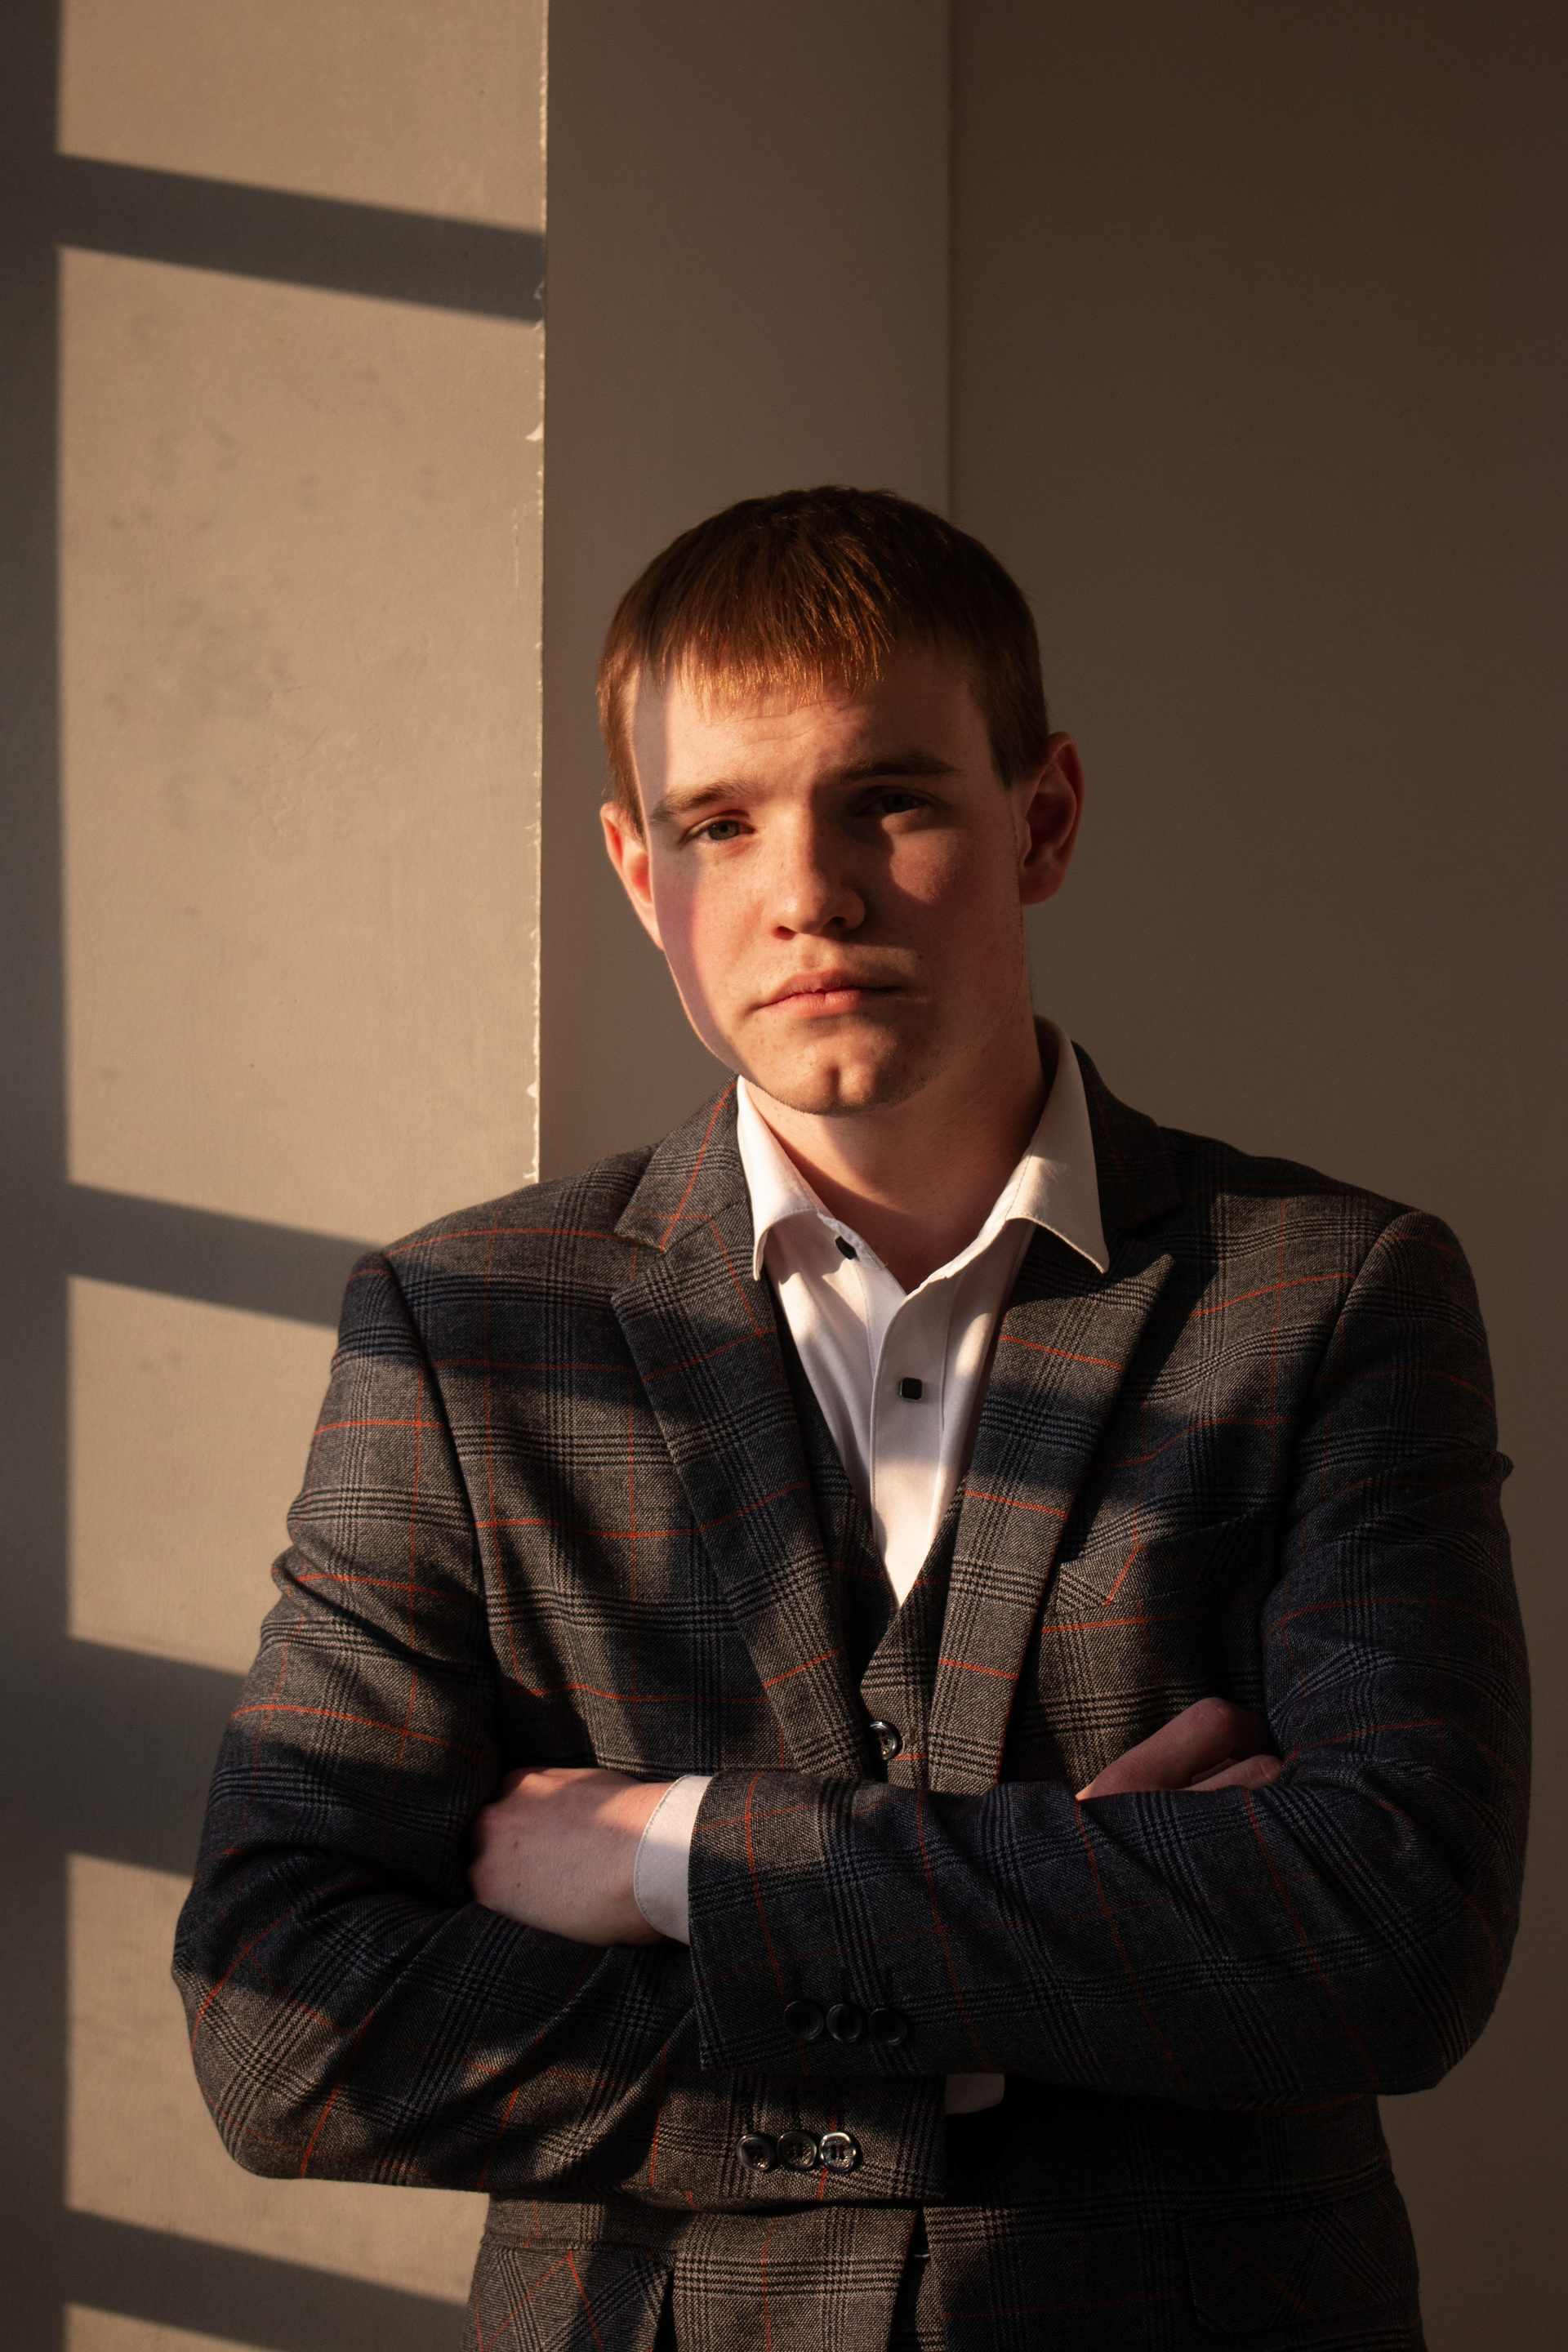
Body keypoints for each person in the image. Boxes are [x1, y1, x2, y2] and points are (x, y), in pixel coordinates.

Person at [176, 488, 1529, 2352]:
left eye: (887, 797)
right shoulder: (470, 1328)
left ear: (1043, 816)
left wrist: (666, 1853)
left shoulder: (1331, 1294)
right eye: (717, 824)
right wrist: (1000, 2009)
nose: (807, 890)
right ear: (640, 874)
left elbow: (1394, 1936)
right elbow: (284, 2023)